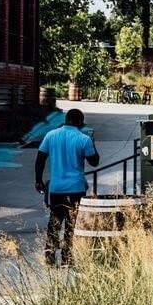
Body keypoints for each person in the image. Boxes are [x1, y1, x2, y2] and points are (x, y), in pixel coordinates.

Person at [35, 108, 100, 266]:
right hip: (76, 188)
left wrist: (38, 180)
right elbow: (94, 162)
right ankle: (67, 258)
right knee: (72, 224)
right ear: (80, 122)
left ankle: (50, 257)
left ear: (66, 119)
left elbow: (40, 159)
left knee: (55, 222)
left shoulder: (51, 135)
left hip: (56, 188)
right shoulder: (84, 138)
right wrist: (92, 142)